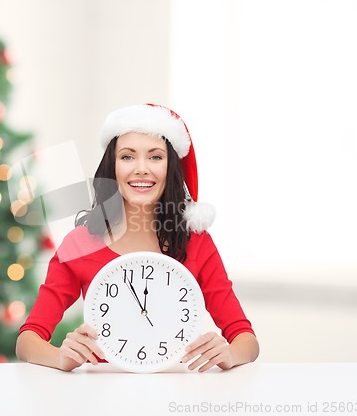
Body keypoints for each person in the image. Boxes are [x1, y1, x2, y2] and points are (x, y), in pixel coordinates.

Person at [16, 104, 259, 372]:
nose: (141, 168)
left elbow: (246, 339)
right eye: (128, 157)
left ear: (171, 168)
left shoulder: (197, 242)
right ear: (113, 167)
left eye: (155, 157)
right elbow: (28, 340)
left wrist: (230, 353)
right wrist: (59, 357)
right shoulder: (80, 244)